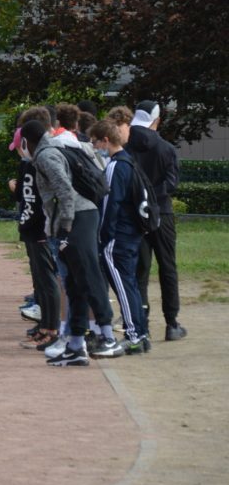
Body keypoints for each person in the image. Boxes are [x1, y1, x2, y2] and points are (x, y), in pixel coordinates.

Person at [22, 119, 122, 367]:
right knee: (74, 284)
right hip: (77, 216)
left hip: (79, 217)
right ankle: (76, 345)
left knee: (88, 274)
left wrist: (64, 227)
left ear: (27, 142)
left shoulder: (46, 155)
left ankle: (107, 336)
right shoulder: (55, 149)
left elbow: (65, 191)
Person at [125, 100, 185, 341]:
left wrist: (140, 196)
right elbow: (172, 183)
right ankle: (172, 323)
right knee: (167, 267)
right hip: (162, 213)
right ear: (157, 120)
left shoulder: (126, 147)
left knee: (139, 270)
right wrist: (154, 194)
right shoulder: (167, 149)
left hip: (134, 215)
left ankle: (142, 325)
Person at [90, 119, 151, 354]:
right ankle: (140, 333)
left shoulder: (116, 166)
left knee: (123, 287)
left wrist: (103, 236)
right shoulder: (130, 162)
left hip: (117, 237)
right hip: (131, 234)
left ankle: (133, 335)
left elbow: (109, 205)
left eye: (96, 142)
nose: (95, 147)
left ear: (106, 140)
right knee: (130, 285)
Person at [8, 120, 59, 351]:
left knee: (48, 281)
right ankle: (44, 327)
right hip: (30, 228)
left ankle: (51, 328)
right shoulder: (28, 165)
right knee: (40, 281)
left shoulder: (40, 162)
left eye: (19, 147)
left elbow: (31, 195)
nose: (19, 152)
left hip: (40, 229)